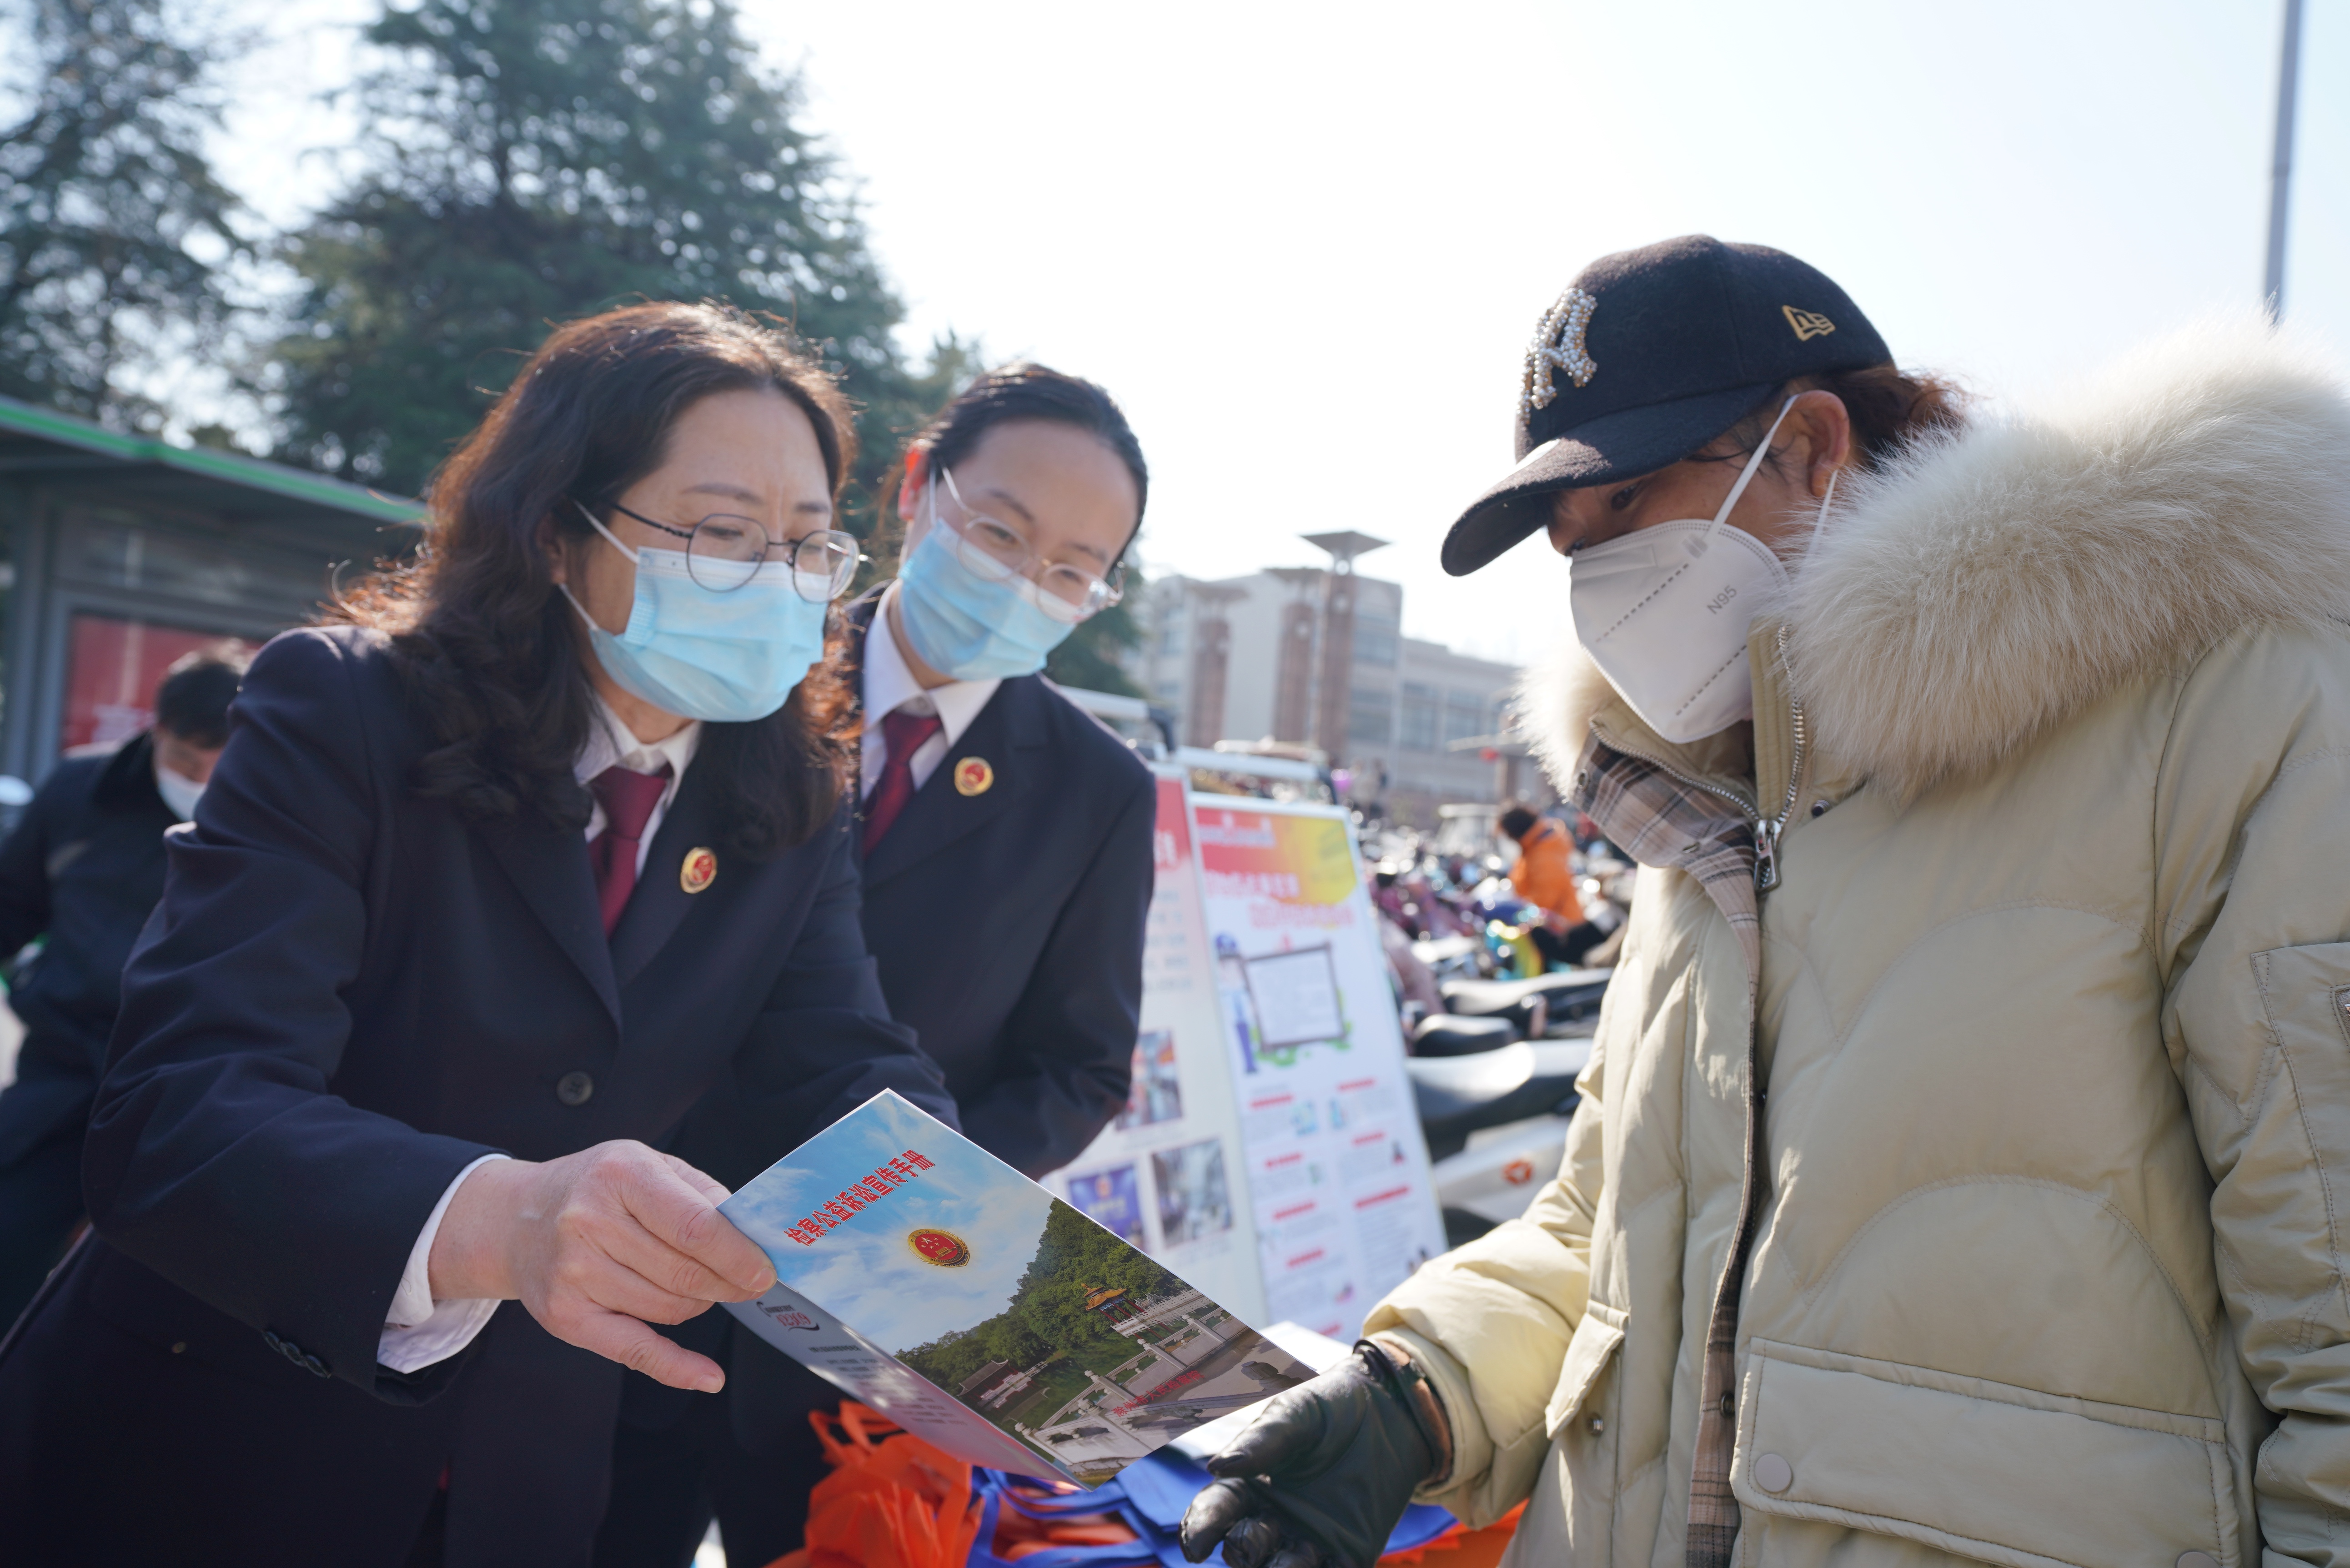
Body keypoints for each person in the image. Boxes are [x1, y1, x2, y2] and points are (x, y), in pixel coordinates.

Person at [1180, 234, 2350, 1568]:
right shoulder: (1698, 810)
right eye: (1569, 547)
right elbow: (1606, 1232)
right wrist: (1416, 1390)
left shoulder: (2224, 715)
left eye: (1623, 508)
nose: (1594, 582)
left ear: (1807, 446)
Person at [0, 302, 960, 1568]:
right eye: (723, 535)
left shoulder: (787, 798)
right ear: (561, 533)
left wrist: (978, 1248)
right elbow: (180, 1110)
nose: (776, 584)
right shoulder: (345, 711)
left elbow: (841, 1064)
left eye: (805, 545)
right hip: (215, 1439)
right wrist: (504, 1224)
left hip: (530, 1475)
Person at [597, 362, 1157, 1568]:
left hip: (852, 1346)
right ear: (917, 488)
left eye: (1067, 570)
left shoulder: (1096, 791)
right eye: (998, 532)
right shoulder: (741, 669)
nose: (1022, 582)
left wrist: (895, 1203)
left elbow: (1080, 1066)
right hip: (626, 1259)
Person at [0, 643, 247, 1328]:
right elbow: (13, 901)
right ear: (155, 727)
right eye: (187, 758)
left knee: (170, 1297)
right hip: (66, 1066)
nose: (202, 776)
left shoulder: (273, 813)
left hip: (194, 1087)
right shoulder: (80, 790)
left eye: (219, 761)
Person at [1495, 802, 1604, 970]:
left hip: (1559, 928)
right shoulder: (1537, 843)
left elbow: (1544, 902)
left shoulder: (1544, 854)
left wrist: (1522, 918)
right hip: (1553, 922)